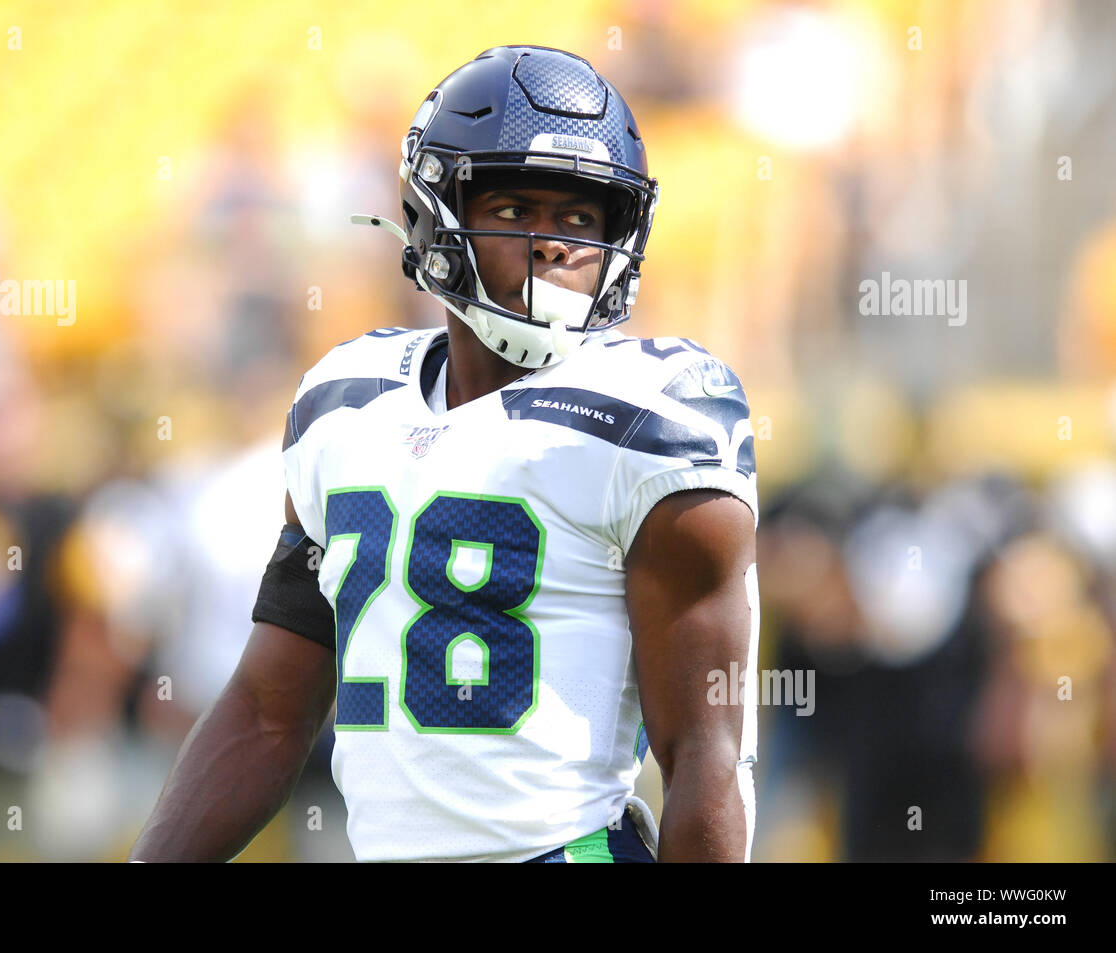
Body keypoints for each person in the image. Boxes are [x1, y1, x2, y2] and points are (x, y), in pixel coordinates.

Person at [130, 45, 760, 863]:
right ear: (437, 214)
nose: (555, 245)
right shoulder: (343, 401)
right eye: (516, 208)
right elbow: (267, 708)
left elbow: (708, 755)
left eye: (580, 217)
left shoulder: (653, 417)